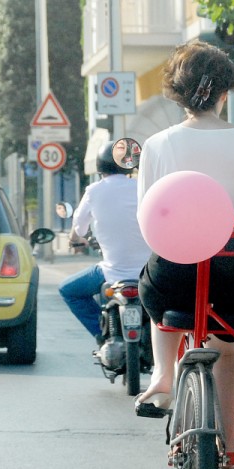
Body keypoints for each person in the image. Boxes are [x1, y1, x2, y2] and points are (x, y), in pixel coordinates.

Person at [133, 40, 234, 469]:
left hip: (177, 275)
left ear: (177, 93)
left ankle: (162, 375)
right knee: (229, 347)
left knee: (150, 285)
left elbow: (147, 220)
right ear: (225, 93)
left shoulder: (157, 144)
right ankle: (230, 445)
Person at [58, 142, 151, 347]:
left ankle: (102, 334)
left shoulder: (94, 190)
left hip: (111, 273)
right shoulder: (143, 187)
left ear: (99, 167)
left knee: (68, 290)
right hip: (149, 273)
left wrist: (75, 240)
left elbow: (79, 227)